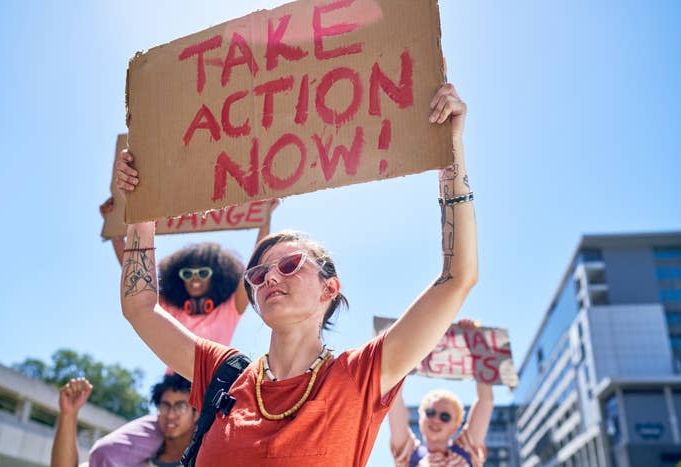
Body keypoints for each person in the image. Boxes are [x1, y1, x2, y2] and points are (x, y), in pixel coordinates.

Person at [115, 82, 476, 465]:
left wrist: (450, 153)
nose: (270, 278)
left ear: (329, 289)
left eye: (289, 266)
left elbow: (457, 278)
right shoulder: (221, 374)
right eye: (258, 275)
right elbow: (140, 308)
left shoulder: (361, 376)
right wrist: (141, 212)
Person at [92, 200, 276, 465]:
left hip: (212, 402)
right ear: (179, 276)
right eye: (187, 273)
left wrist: (265, 217)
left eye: (203, 272)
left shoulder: (228, 309)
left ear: (216, 277)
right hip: (173, 402)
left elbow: (253, 270)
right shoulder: (168, 309)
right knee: (104, 452)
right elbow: (135, 271)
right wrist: (115, 227)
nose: (195, 278)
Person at [388, 320, 494, 467]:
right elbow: (394, 397)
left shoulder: (467, 450)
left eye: (445, 417)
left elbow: (485, 401)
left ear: (455, 426)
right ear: (420, 419)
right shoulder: (409, 454)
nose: (436, 419)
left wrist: (473, 341)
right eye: (430, 413)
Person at [52, 374, 197, 467]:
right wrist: (68, 414)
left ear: (197, 413)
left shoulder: (204, 458)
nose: (171, 415)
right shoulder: (133, 461)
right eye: (165, 406)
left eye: (181, 407)